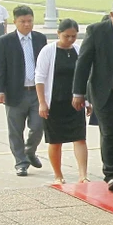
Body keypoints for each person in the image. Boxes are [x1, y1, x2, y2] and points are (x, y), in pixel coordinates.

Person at [73, 0, 113, 191]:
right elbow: (83, 63)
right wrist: (78, 92)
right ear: (112, 16)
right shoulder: (97, 31)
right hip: (104, 92)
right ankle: (112, 173)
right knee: (109, 132)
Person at [0, 5, 47, 176]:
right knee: (15, 130)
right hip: (15, 92)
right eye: (22, 21)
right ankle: (21, 162)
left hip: (37, 92)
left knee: (38, 126)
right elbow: (0, 68)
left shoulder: (40, 39)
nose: (27, 24)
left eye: (30, 21)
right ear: (14, 22)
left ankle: (30, 151)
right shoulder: (5, 41)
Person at [35, 19, 87, 184]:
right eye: (66, 36)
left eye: (74, 36)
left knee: (80, 138)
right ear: (58, 34)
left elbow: (85, 78)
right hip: (54, 103)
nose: (70, 40)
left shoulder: (79, 50)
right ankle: (58, 175)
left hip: (75, 103)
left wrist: (88, 101)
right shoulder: (48, 51)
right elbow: (40, 78)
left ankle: (82, 175)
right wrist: (42, 102)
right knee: (55, 141)